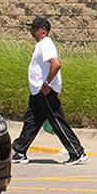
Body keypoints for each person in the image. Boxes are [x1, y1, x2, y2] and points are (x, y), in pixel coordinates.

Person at [10, 16, 87, 166]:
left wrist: (46, 83)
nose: (32, 31)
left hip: (45, 92)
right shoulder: (41, 45)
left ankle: (77, 152)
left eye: (34, 28)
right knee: (31, 122)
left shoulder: (45, 43)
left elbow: (56, 64)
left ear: (43, 30)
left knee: (57, 121)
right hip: (37, 92)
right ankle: (20, 151)